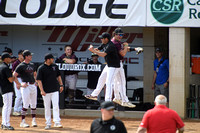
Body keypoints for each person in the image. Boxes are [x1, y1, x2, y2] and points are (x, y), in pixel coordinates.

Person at [87, 32, 120, 101]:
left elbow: (103, 54)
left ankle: (108, 100)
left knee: (109, 82)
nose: (101, 39)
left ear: (106, 39)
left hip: (114, 66)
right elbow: (98, 49)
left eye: (102, 38)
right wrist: (93, 48)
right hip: (108, 65)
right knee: (101, 79)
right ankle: (94, 95)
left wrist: (93, 51)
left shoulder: (110, 45)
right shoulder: (104, 44)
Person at [36, 53, 64, 130]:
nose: (53, 60)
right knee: (47, 107)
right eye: (52, 58)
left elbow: (58, 76)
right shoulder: (41, 68)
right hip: (46, 91)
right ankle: (48, 123)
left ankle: (57, 122)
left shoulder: (54, 66)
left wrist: (61, 85)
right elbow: (39, 80)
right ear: (48, 60)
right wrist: (42, 90)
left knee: (56, 106)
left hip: (55, 89)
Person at [13, 50, 37, 128]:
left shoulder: (32, 65)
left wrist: (36, 81)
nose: (31, 56)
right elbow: (14, 75)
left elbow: (35, 74)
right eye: (30, 55)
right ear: (26, 56)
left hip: (32, 85)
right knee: (26, 104)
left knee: (34, 104)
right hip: (25, 85)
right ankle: (22, 122)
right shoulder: (21, 65)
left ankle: (34, 120)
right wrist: (19, 84)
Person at [0, 53, 15, 130]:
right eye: (9, 58)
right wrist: (14, 76)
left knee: (6, 107)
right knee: (7, 107)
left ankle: (4, 123)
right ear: (5, 59)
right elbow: (10, 80)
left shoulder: (1, 67)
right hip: (7, 90)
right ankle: (6, 124)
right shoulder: (5, 67)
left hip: (4, 89)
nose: (11, 59)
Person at [12, 50, 24, 116]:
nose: (23, 56)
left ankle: (20, 109)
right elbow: (13, 74)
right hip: (17, 79)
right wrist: (17, 83)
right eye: (22, 54)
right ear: (19, 55)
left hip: (23, 79)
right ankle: (15, 110)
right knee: (18, 96)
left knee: (22, 96)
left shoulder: (24, 62)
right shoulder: (15, 63)